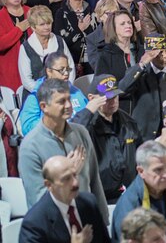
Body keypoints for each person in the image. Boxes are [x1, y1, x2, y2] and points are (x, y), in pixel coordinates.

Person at [18, 78, 108, 218]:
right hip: (54, 227)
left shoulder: (81, 133)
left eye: (69, 99)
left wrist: (103, 219)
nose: (68, 105)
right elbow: (38, 201)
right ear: (43, 107)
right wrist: (69, 174)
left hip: (87, 218)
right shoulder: (30, 147)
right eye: (61, 101)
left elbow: (95, 181)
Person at [71, 74, 141, 204]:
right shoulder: (87, 124)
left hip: (129, 193)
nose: (113, 101)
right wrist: (88, 111)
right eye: (107, 98)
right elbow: (72, 136)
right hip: (99, 196)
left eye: (115, 96)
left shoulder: (128, 122)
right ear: (92, 99)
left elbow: (140, 153)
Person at [118, 34, 166, 141]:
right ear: (149, 55)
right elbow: (121, 90)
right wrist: (141, 64)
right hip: (147, 135)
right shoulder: (140, 73)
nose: (165, 55)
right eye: (160, 53)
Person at [19, 51, 88, 135]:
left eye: (68, 69)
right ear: (49, 71)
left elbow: (87, 116)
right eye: (61, 70)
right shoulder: (36, 96)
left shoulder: (76, 92)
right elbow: (27, 128)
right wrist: (57, 124)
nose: (66, 74)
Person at [53, 0, 97, 75]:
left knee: (97, 89)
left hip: (93, 61)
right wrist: (79, 30)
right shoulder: (61, 13)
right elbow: (61, 43)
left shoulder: (90, 10)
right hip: (72, 63)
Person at [0, 0, 31, 90]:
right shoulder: (1, 17)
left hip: (33, 66)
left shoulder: (30, 12)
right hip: (11, 69)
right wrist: (18, 30)